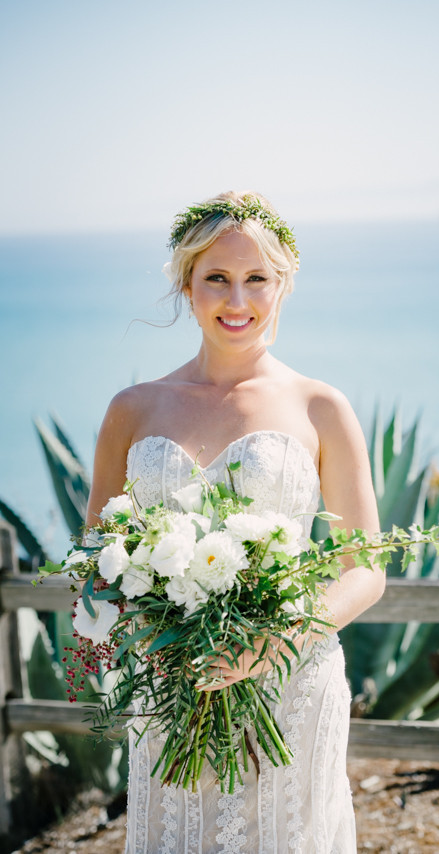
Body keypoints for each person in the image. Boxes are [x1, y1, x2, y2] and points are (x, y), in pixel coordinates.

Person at [85, 191, 385, 853]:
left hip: (291, 683)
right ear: (186, 283)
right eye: (216, 278)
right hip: (170, 688)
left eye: (257, 279)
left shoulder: (321, 407)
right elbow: (97, 555)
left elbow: (365, 569)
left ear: (283, 287)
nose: (237, 301)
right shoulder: (132, 409)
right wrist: (148, 631)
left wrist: (275, 639)